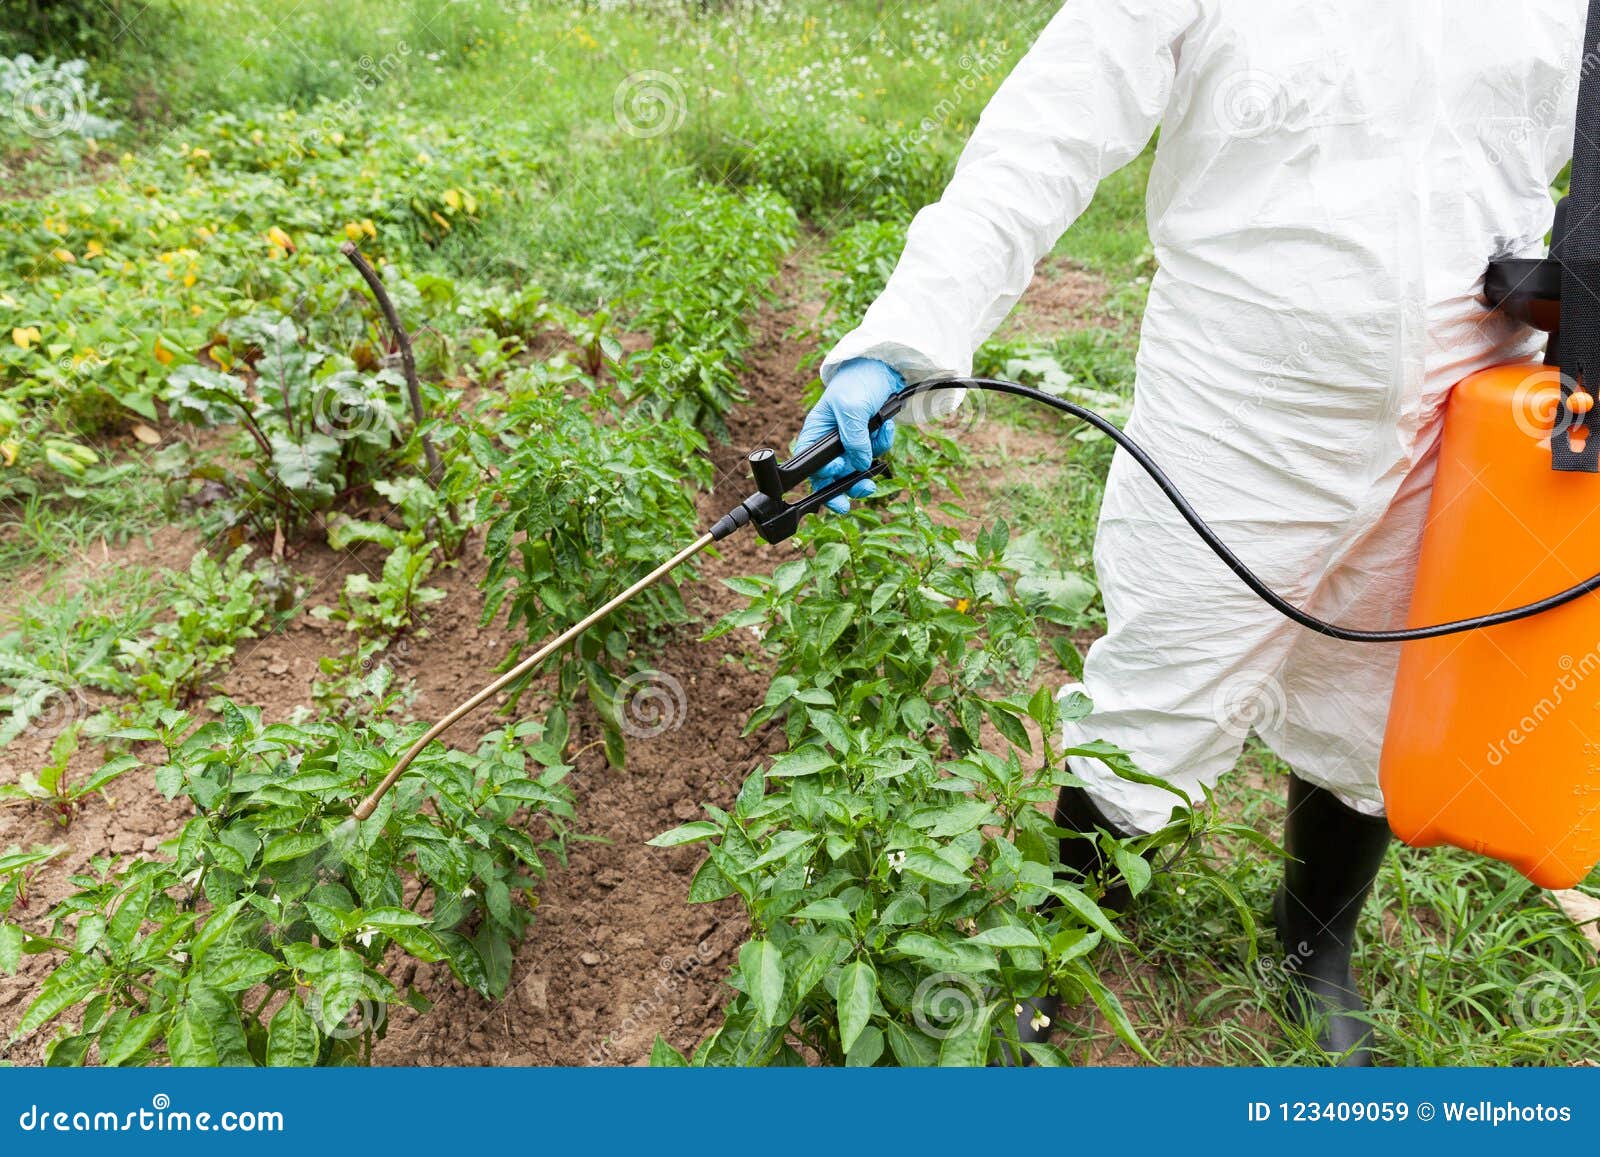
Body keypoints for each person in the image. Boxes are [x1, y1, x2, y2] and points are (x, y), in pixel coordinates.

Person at [794, 0, 1582, 1065]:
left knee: (1379, 695)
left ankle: (1312, 943)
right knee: (1159, 692)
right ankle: (1057, 942)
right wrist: (903, 337)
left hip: (1470, 397)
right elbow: (1046, 130)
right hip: (1241, 399)